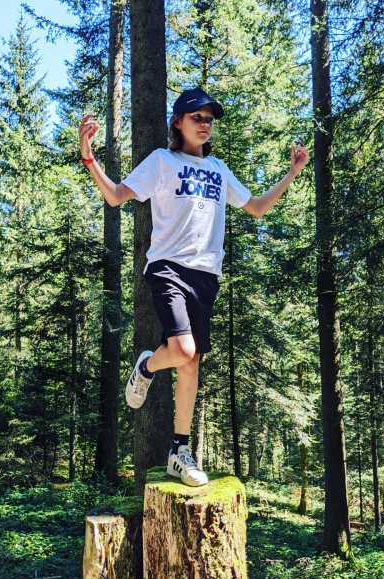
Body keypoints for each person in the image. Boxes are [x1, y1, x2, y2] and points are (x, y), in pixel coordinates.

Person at [78, 87, 309, 487]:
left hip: (206, 275)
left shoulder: (218, 169)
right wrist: (88, 156)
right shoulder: (162, 161)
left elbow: (256, 208)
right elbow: (115, 197)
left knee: (191, 361)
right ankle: (147, 366)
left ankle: (179, 451)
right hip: (167, 267)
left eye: (209, 120)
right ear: (178, 122)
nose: (205, 125)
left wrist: (292, 173)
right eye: (197, 118)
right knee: (183, 350)